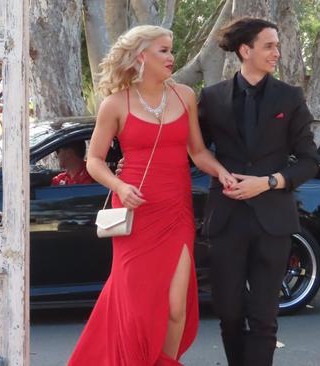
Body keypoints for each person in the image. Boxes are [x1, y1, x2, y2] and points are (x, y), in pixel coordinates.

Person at [67, 25, 236, 366]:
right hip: (136, 211)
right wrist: (119, 186)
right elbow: (94, 160)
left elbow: (198, 151)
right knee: (137, 310)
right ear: (142, 55)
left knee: (176, 308)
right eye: (163, 50)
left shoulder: (184, 95)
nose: (171, 57)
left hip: (176, 210)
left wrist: (220, 171)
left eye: (171, 50)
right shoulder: (115, 104)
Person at [198, 18, 319, 366]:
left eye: (277, 46)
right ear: (245, 50)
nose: (277, 53)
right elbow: (195, 150)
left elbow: (309, 160)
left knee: (265, 318)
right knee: (231, 314)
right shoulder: (212, 97)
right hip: (226, 220)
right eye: (269, 46)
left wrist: (268, 182)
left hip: (273, 222)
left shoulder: (290, 97)